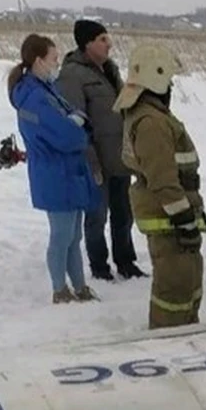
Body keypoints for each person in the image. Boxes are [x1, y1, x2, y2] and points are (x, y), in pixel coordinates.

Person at [114, 44, 206, 329]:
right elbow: (163, 179)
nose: (170, 87)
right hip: (169, 219)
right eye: (168, 80)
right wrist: (183, 220)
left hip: (173, 216)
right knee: (174, 289)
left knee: (186, 283)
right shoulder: (151, 123)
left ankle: (185, 330)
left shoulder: (151, 115)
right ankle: (168, 341)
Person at [8, 33, 99, 304]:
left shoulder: (47, 90)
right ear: (39, 61)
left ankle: (80, 287)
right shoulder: (33, 97)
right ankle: (60, 290)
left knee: (74, 235)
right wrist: (77, 127)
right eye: (54, 59)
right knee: (61, 235)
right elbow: (66, 135)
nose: (57, 64)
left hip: (68, 172)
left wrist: (77, 122)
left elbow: (78, 116)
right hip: (54, 173)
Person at [57, 19, 146, 281]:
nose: (109, 44)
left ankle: (126, 261)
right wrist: (91, 160)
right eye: (103, 39)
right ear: (87, 44)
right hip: (95, 160)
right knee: (96, 217)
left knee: (123, 215)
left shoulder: (111, 69)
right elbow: (76, 122)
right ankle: (99, 266)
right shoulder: (72, 75)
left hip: (119, 156)